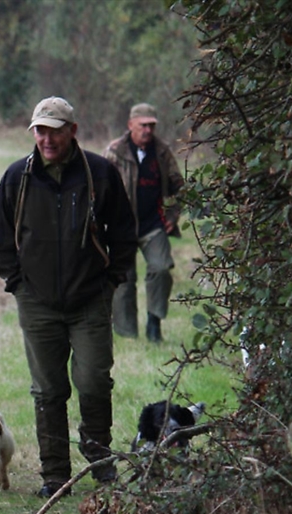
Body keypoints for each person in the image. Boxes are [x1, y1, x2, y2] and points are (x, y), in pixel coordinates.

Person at [0, 97, 137, 498]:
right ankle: (54, 476)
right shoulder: (17, 177)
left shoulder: (100, 174)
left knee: (93, 382)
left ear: (72, 130)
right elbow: (1, 242)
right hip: (36, 303)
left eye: (55, 129)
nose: (47, 138)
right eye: (40, 130)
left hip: (90, 299)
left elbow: (124, 235)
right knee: (48, 390)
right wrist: (18, 284)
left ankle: (100, 459)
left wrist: (109, 284)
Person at [103, 103, 186, 342]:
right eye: (143, 125)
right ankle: (127, 333)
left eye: (152, 125)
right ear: (131, 125)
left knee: (161, 269)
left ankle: (154, 323)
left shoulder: (162, 152)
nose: (148, 130)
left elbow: (179, 187)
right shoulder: (114, 152)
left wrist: (172, 216)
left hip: (153, 225)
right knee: (123, 280)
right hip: (121, 229)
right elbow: (98, 189)